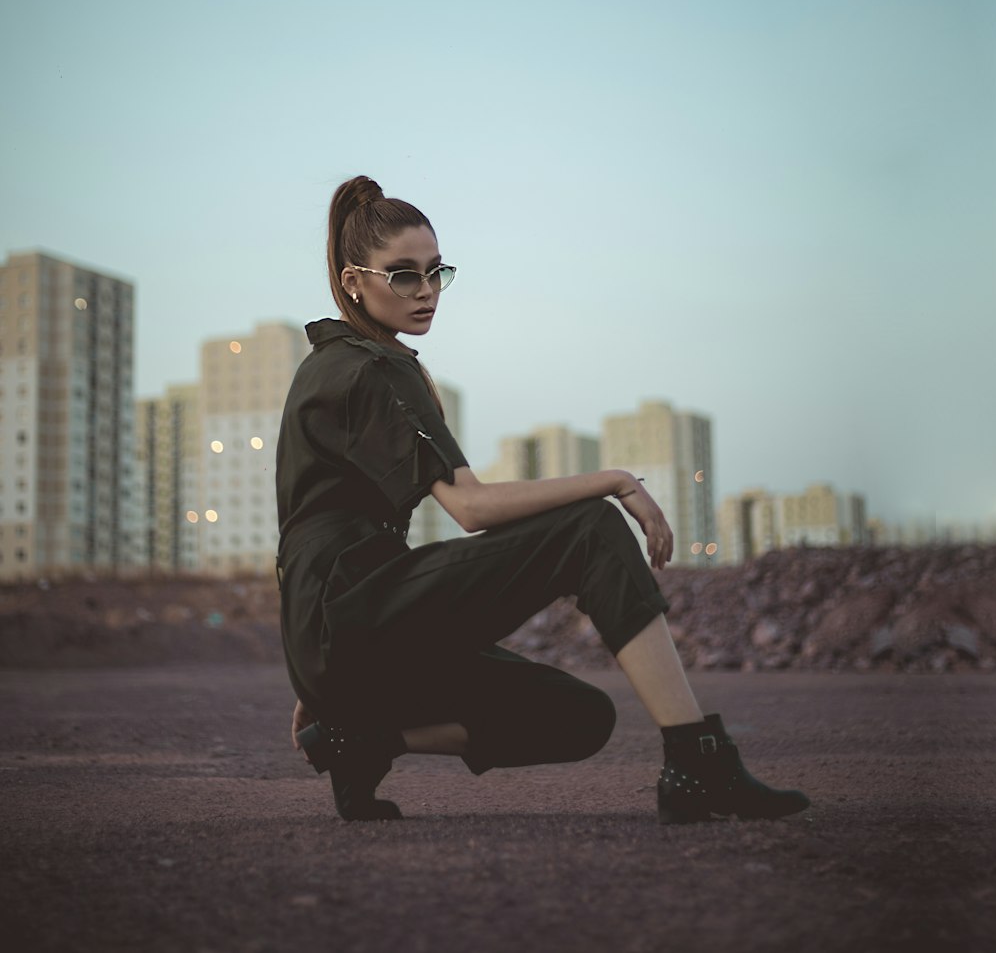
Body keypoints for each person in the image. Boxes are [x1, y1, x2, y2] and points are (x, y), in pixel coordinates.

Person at [275, 175, 809, 824]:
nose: (427, 293)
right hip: (353, 616)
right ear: (354, 280)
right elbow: (468, 506)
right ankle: (698, 765)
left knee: (579, 717)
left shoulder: (333, 364)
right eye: (403, 276)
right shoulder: (376, 369)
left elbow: (305, 530)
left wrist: (319, 678)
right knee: (591, 527)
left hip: (340, 629)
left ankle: (358, 741)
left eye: (436, 272)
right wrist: (613, 478)